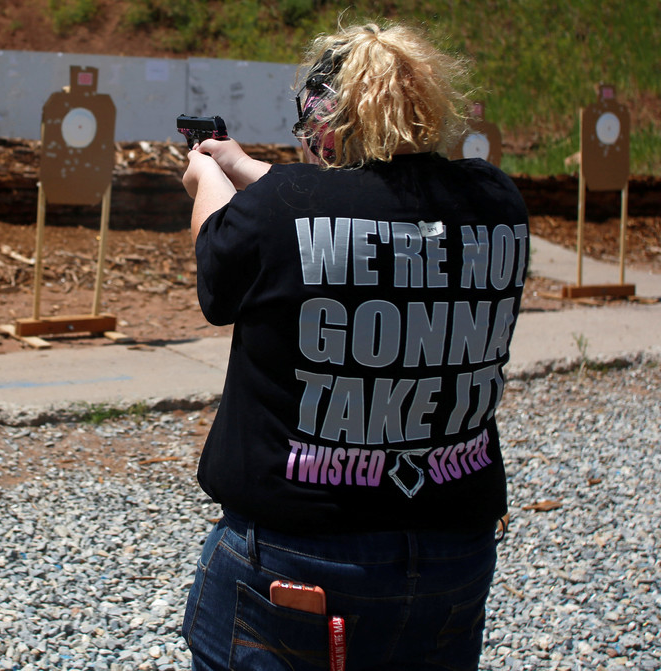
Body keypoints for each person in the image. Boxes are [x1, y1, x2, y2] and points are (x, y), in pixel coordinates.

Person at [179, 21, 529, 671]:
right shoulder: (495, 201)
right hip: (453, 559)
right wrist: (240, 163)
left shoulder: (284, 206)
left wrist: (206, 177)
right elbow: (353, 212)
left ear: (327, 128)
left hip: (297, 561)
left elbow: (218, 271)